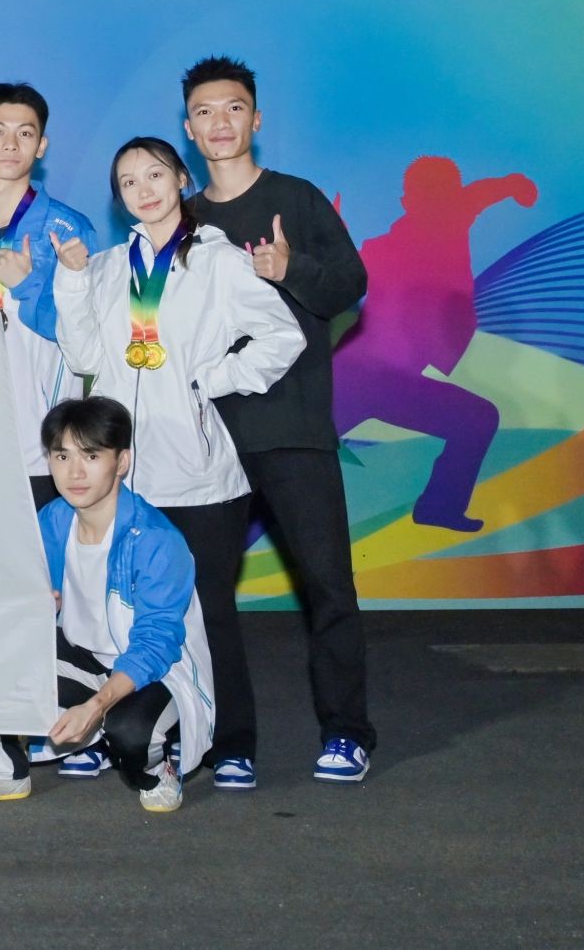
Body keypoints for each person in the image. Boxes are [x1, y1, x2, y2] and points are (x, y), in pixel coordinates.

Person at [52, 136, 306, 798]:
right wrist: (73, 280)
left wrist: (212, 379)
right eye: (129, 181)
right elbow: (82, 355)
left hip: (199, 476)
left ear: (182, 180)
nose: (144, 189)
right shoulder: (108, 268)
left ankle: (234, 743)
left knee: (210, 610)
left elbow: (284, 336)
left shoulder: (219, 261)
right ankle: (111, 731)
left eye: (155, 174)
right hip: (124, 477)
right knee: (113, 609)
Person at [183, 55, 377, 785]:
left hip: (292, 429)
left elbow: (350, 286)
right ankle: (225, 741)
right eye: (205, 112)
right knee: (203, 599)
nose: (220, 122)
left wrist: (290, 268)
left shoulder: (295, 198)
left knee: (328, 587)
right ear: (189, 128)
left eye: (233, 108)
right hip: (207, 439)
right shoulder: (182, 217)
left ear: (256, 119)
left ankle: (347, 733)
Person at [0, 397, 213, 813]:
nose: (75, 472)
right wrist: (33, 606)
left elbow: (156, 644)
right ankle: (1, 772)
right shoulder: (52, 520)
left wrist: (97, 705)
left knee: (130, 732)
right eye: (62, 456)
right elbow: (24, 597)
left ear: (122, 462)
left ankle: (157, 770)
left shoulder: (156, 540)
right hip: (82, 658)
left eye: (92, 456)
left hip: (154, 671)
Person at [333, 155, 538, 536]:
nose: (445, 203)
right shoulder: (384, 249)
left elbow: (482, 192)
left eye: (447, 194)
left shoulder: (451, 217)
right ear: (409, 201)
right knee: (299, 457)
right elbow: (338, 274)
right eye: (429, 195)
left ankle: (439, 507)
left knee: (477, 418)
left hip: (395, 383)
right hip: (356, 377)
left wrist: (513, 184)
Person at [0, 82, 100, 509]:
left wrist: (28, 285)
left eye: (25, 133)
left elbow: (86, 338)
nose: (10, 144)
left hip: (45, 446)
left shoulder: (70, 231)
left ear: (41, 146)